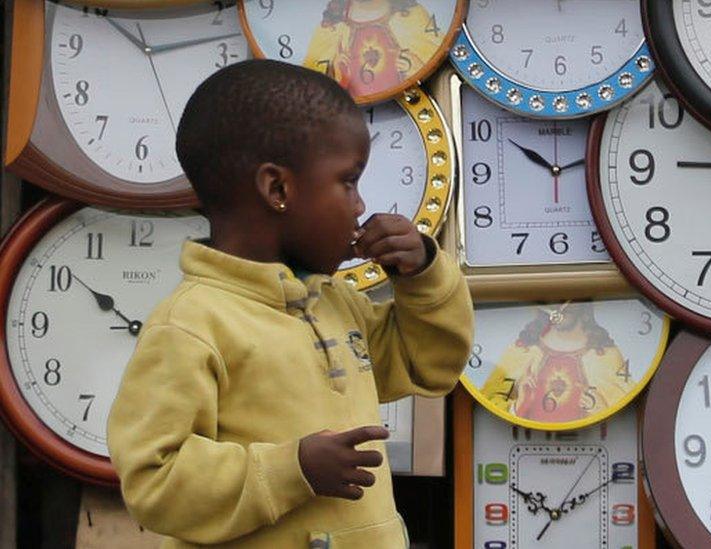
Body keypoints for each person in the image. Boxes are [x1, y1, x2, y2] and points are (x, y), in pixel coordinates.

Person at [107, 59, 473, 548]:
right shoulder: (192, 323)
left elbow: (429, 366)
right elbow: (154, 480)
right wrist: (291, 470)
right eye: (348, 181)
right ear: (278, 188)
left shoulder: (335, 303)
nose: (360, 206)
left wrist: (423, 273)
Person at [481, 302, 632, 423]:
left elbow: (628, 414)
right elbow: (487, 407)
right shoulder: (521, 351)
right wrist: (519, 405)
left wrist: (601, 411)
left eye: (568, 299)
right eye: (552, 299)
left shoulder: (605, 356)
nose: (559, 306)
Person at [302, 0, 443, 97]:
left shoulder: (412, 17)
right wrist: (334, 73)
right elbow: (308, 87)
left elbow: (440, 66)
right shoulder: (331, 28)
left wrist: (420, 70)